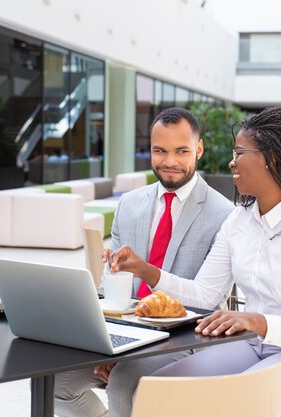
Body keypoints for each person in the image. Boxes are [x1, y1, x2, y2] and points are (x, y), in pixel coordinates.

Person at [109, 106, 281, 417]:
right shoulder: (239, 222)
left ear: (271, 159)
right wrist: (146, 271)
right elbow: (205, 294)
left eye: (240, 152)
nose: (231, 162)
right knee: (157, 388)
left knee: (235, 407)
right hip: (254, 344)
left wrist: (255, 320)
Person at [54, 107, 234, 417]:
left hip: (187, 340)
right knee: (54, 380)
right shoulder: (130, 204)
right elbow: (111, 283)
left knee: (124, 381)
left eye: (182, 151)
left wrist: (127, 357)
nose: (170, 162)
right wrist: (105, 343)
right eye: (159, 151)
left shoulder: (225, 214)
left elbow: (211, 299)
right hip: (130, 333)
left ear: (199, 149)